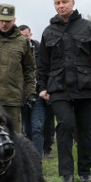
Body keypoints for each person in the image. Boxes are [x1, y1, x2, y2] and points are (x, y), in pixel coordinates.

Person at [37, 0, 91, 182]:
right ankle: (66, 174)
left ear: (73, 2)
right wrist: (42, 87)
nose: (61, 5)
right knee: (66, 126)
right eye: (57, 3)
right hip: (58, 89)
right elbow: (42, 63)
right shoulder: (48, 32)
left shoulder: (87, 27)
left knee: (85, 130)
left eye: (64, 2)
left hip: (85, 87)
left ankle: (85, 171)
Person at [0, 4, 36, 130]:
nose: (4, 24)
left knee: (14, 137)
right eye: (2, 20)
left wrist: (30, 93)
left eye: (8, 21)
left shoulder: (22, 41)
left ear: (14, 21)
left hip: (12, 99)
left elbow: (29, 69)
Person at [19, 25, 55, 157]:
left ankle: (38, 159)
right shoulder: (17, 50)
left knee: (38, 128)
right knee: (26, 130)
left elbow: (47, 68)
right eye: (21, 35)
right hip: (22, 94)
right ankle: (29, 157)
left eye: (26, 35)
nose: (24, 38)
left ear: (30, 34)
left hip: (39, 92)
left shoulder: (40, 49)